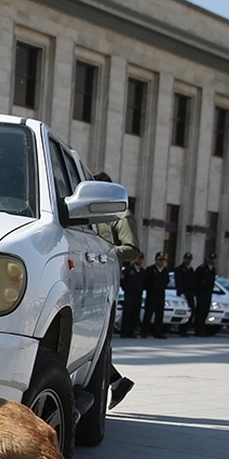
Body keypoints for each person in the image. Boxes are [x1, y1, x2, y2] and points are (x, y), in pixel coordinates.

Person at [91, 172, 136, 407]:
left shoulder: (120, 214)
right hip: (86, 279)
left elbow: (132, 248)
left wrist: (106, 253)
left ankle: (115, 382)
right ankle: (117, 381)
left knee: (99, 341)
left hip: (106, 282)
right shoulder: (89, 212)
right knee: (88, 339)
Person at [141, 252, 170, 339]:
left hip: (160, 294)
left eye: (163, 260)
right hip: (152, 294)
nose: (161, 262)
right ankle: (144, 332)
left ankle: (158, 332)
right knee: (148, 314)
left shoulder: (165, 270)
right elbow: (145, 281)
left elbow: (166, 281)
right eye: (160, 260)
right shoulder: (150, 269)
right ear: (156, 260)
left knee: (159, 314)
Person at [120, 253, 145, 339]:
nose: (139, 260)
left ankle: (131, 332)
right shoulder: (128, 269)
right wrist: (126, 289)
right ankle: (123, 332)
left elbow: (145, 282)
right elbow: (123, 281)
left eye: (141, 259)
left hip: (138, 295)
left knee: (135, 314)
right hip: (129, 294)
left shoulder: (142, 271)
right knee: (127, 313)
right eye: (138, 258)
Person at [193, 252, 218, 336]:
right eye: (211, 259)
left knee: (205, 311)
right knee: (200, 311)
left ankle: (202, 329)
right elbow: (197, 281)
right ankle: (198, 330)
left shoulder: (213, 269)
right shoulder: (202, 269)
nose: (212, 260)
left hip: (208, 293)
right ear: (207, 259)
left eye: (213, 259)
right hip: (201, 293)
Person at [173, 252, 196, 336]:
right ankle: (181, 330)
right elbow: (178, 282)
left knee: (191, 311)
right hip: (183, 293)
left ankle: (186, 329)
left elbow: (193, 282)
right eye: (187, 259)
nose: (188, 260)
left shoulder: (191, 270)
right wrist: (181, 292)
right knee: (183, 312)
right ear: (184, 259)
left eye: (189, 259)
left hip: (190, 293)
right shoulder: (179, 269)